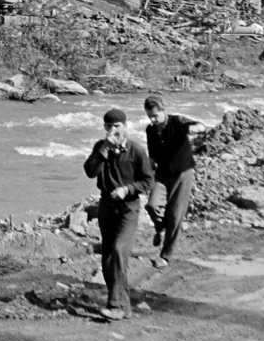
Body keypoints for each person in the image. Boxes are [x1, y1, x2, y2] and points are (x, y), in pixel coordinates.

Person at [83, 108, 155, 320]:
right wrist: (102, 151)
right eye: (109, 126)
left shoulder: (136, 151)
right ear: (104, 127)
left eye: (117, 126)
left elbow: (147, 181)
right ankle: (123, 306)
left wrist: (127, 189)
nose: (113, 130)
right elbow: (90, 171)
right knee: (108, 257)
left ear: (125, 126)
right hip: (106, 205)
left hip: (128, 207)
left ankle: (115, 305)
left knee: (118, 250)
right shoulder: (101, 147)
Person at [143, 95, 199, 267]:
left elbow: (194, 125)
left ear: (163, 111)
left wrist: (199, 128)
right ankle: (160, 229)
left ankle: (166, 256)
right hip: (162, 174)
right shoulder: (150, 130)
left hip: (182, 173)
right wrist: (145, 170)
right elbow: (152, 156)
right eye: (149, 116)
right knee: (152, 206)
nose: (153, 120)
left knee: (175, 215)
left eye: (155, 116)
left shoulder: (177, 122)